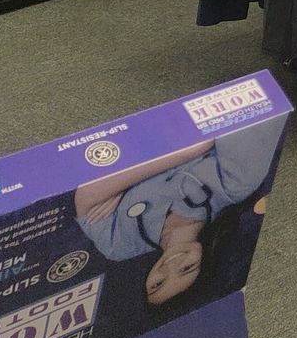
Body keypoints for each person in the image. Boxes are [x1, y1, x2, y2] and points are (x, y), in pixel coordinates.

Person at [74, 120, 284, 306]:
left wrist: (189, 151)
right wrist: (121, 179)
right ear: (206, 262)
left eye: (157, 284)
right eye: (187, 268)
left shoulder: (117, 245)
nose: (170, 267)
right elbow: (236, 114)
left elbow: (85, 192)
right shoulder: (237, 184)